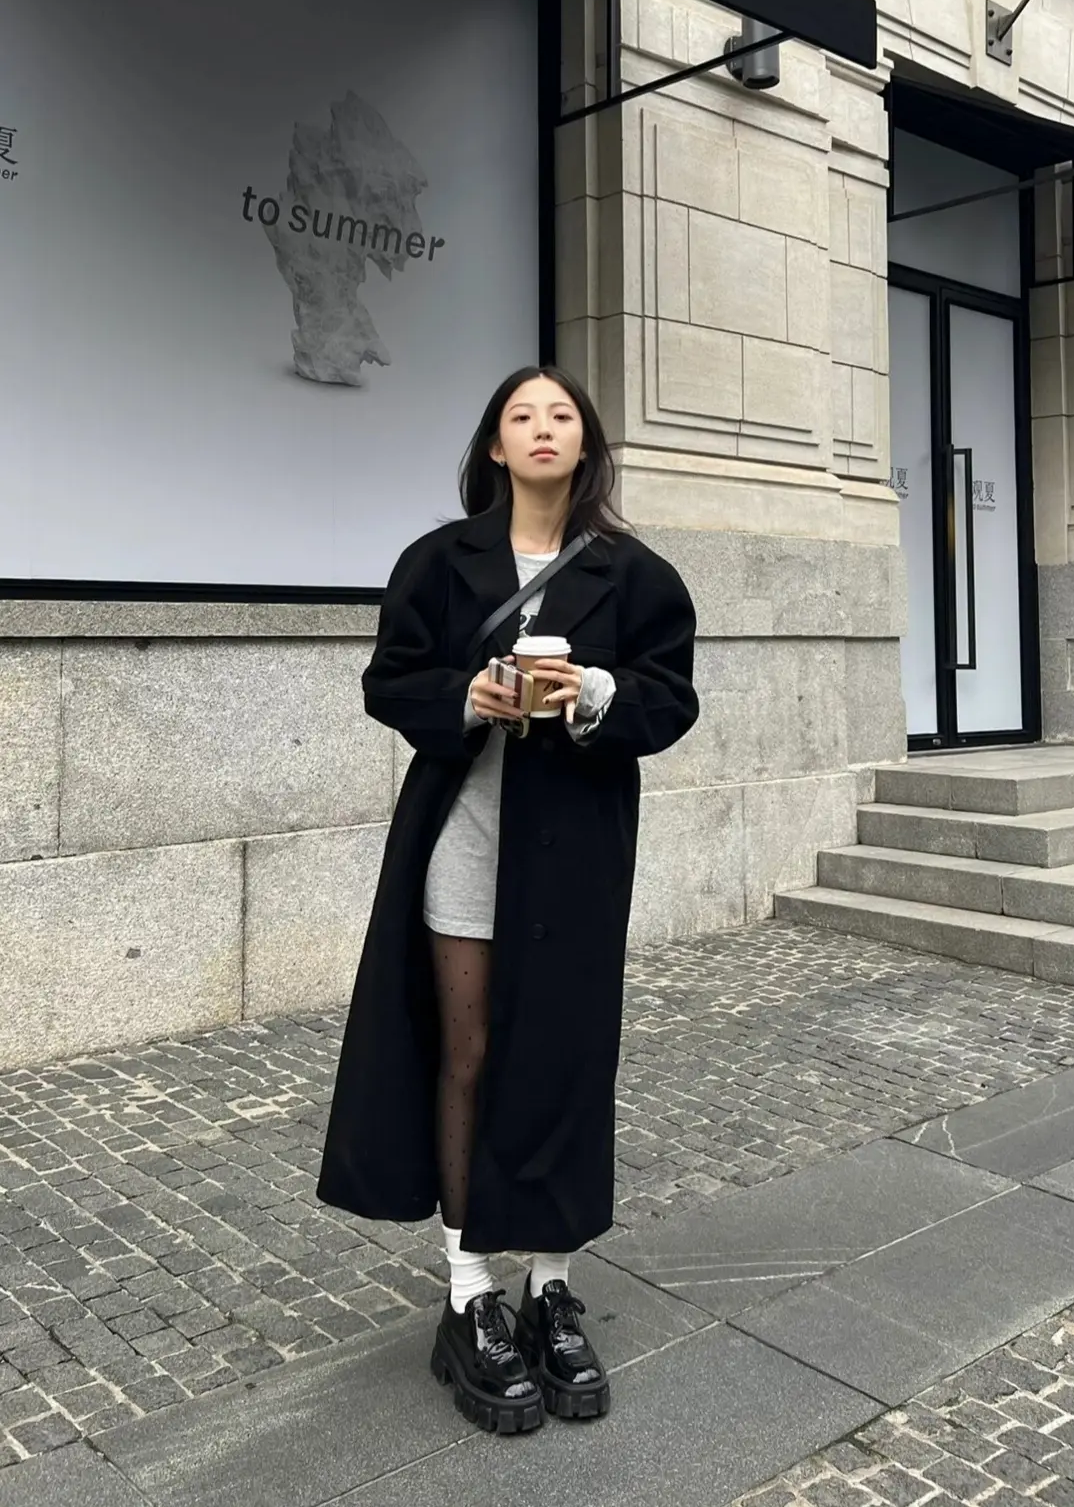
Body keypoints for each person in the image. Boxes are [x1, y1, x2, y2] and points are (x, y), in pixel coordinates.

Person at [317, 365, 699, 1435]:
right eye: (521, 416)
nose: (541, 429)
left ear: (586, 443)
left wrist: (597, 692)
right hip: (465, 836)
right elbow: (388, 682)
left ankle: (552, 1287)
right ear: (494, 444)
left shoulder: (636, 574)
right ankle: (469, 1289)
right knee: (471, 1050)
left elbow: (673, 699)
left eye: (560, 415)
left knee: (564, 1052)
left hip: (574, 850)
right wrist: (467, 695)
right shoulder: (440, 561)